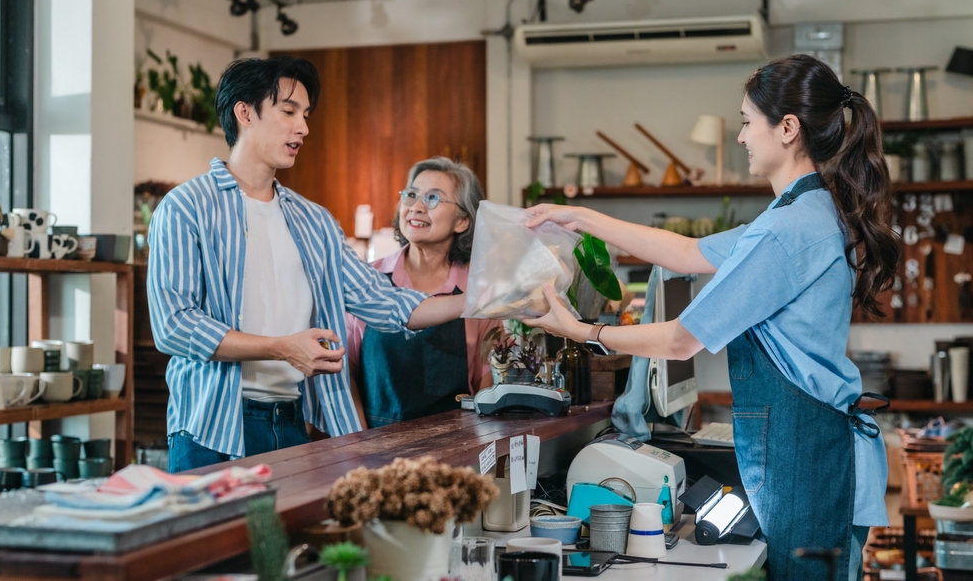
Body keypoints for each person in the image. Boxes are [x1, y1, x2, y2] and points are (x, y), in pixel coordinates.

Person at [523, 54, 898, 581]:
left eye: (747, 121)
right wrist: (581, 217)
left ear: (787, 128)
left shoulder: (786, 231)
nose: (741, 137)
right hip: (811, 448)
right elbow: (686, 252)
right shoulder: (803, 212)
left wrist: (583, 332)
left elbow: (682, 341)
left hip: (806, 455)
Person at [147, 57, 464, 473]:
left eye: (306, 115)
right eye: (289, 111)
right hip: (210, 429)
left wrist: (481, 299)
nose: (303, 128)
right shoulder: (186, 207)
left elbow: (384, 301)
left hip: (292, 425)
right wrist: (281, 348)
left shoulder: (313, 220)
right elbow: (173, 325)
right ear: (245, 113)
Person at [345, 158, 501, 428]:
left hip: (456, 445)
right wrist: (357, 442)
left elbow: (487, 382)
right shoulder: (367, 281)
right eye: (411, 195)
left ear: (462, 221)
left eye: (433, 198)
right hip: (373, 446)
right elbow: (345, 373)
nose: (416, 207)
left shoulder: (477, 292)